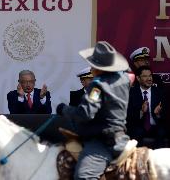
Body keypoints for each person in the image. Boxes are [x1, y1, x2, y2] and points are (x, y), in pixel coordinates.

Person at [57, 41, 131, 179]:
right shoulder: (124, 79)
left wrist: (64, 109)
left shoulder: (97, 87)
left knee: (83, 177)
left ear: (100, 68)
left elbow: (85, 114)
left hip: (103, 142)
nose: (91, 68)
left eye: (93, 65)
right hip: (121, 136)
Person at [126, 65, 166, 148]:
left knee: (161, 132)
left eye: (150, 75)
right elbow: (128, 117)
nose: (149, 79)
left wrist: (158, 114)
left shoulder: (159, 92)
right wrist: (141, 112)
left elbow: (165, 115)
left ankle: (156, 159)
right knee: (137, 132)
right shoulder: (131, 93)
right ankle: (137, 158)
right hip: (138, 125)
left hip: (155, 125)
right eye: (145, 76)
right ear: (138, 78)